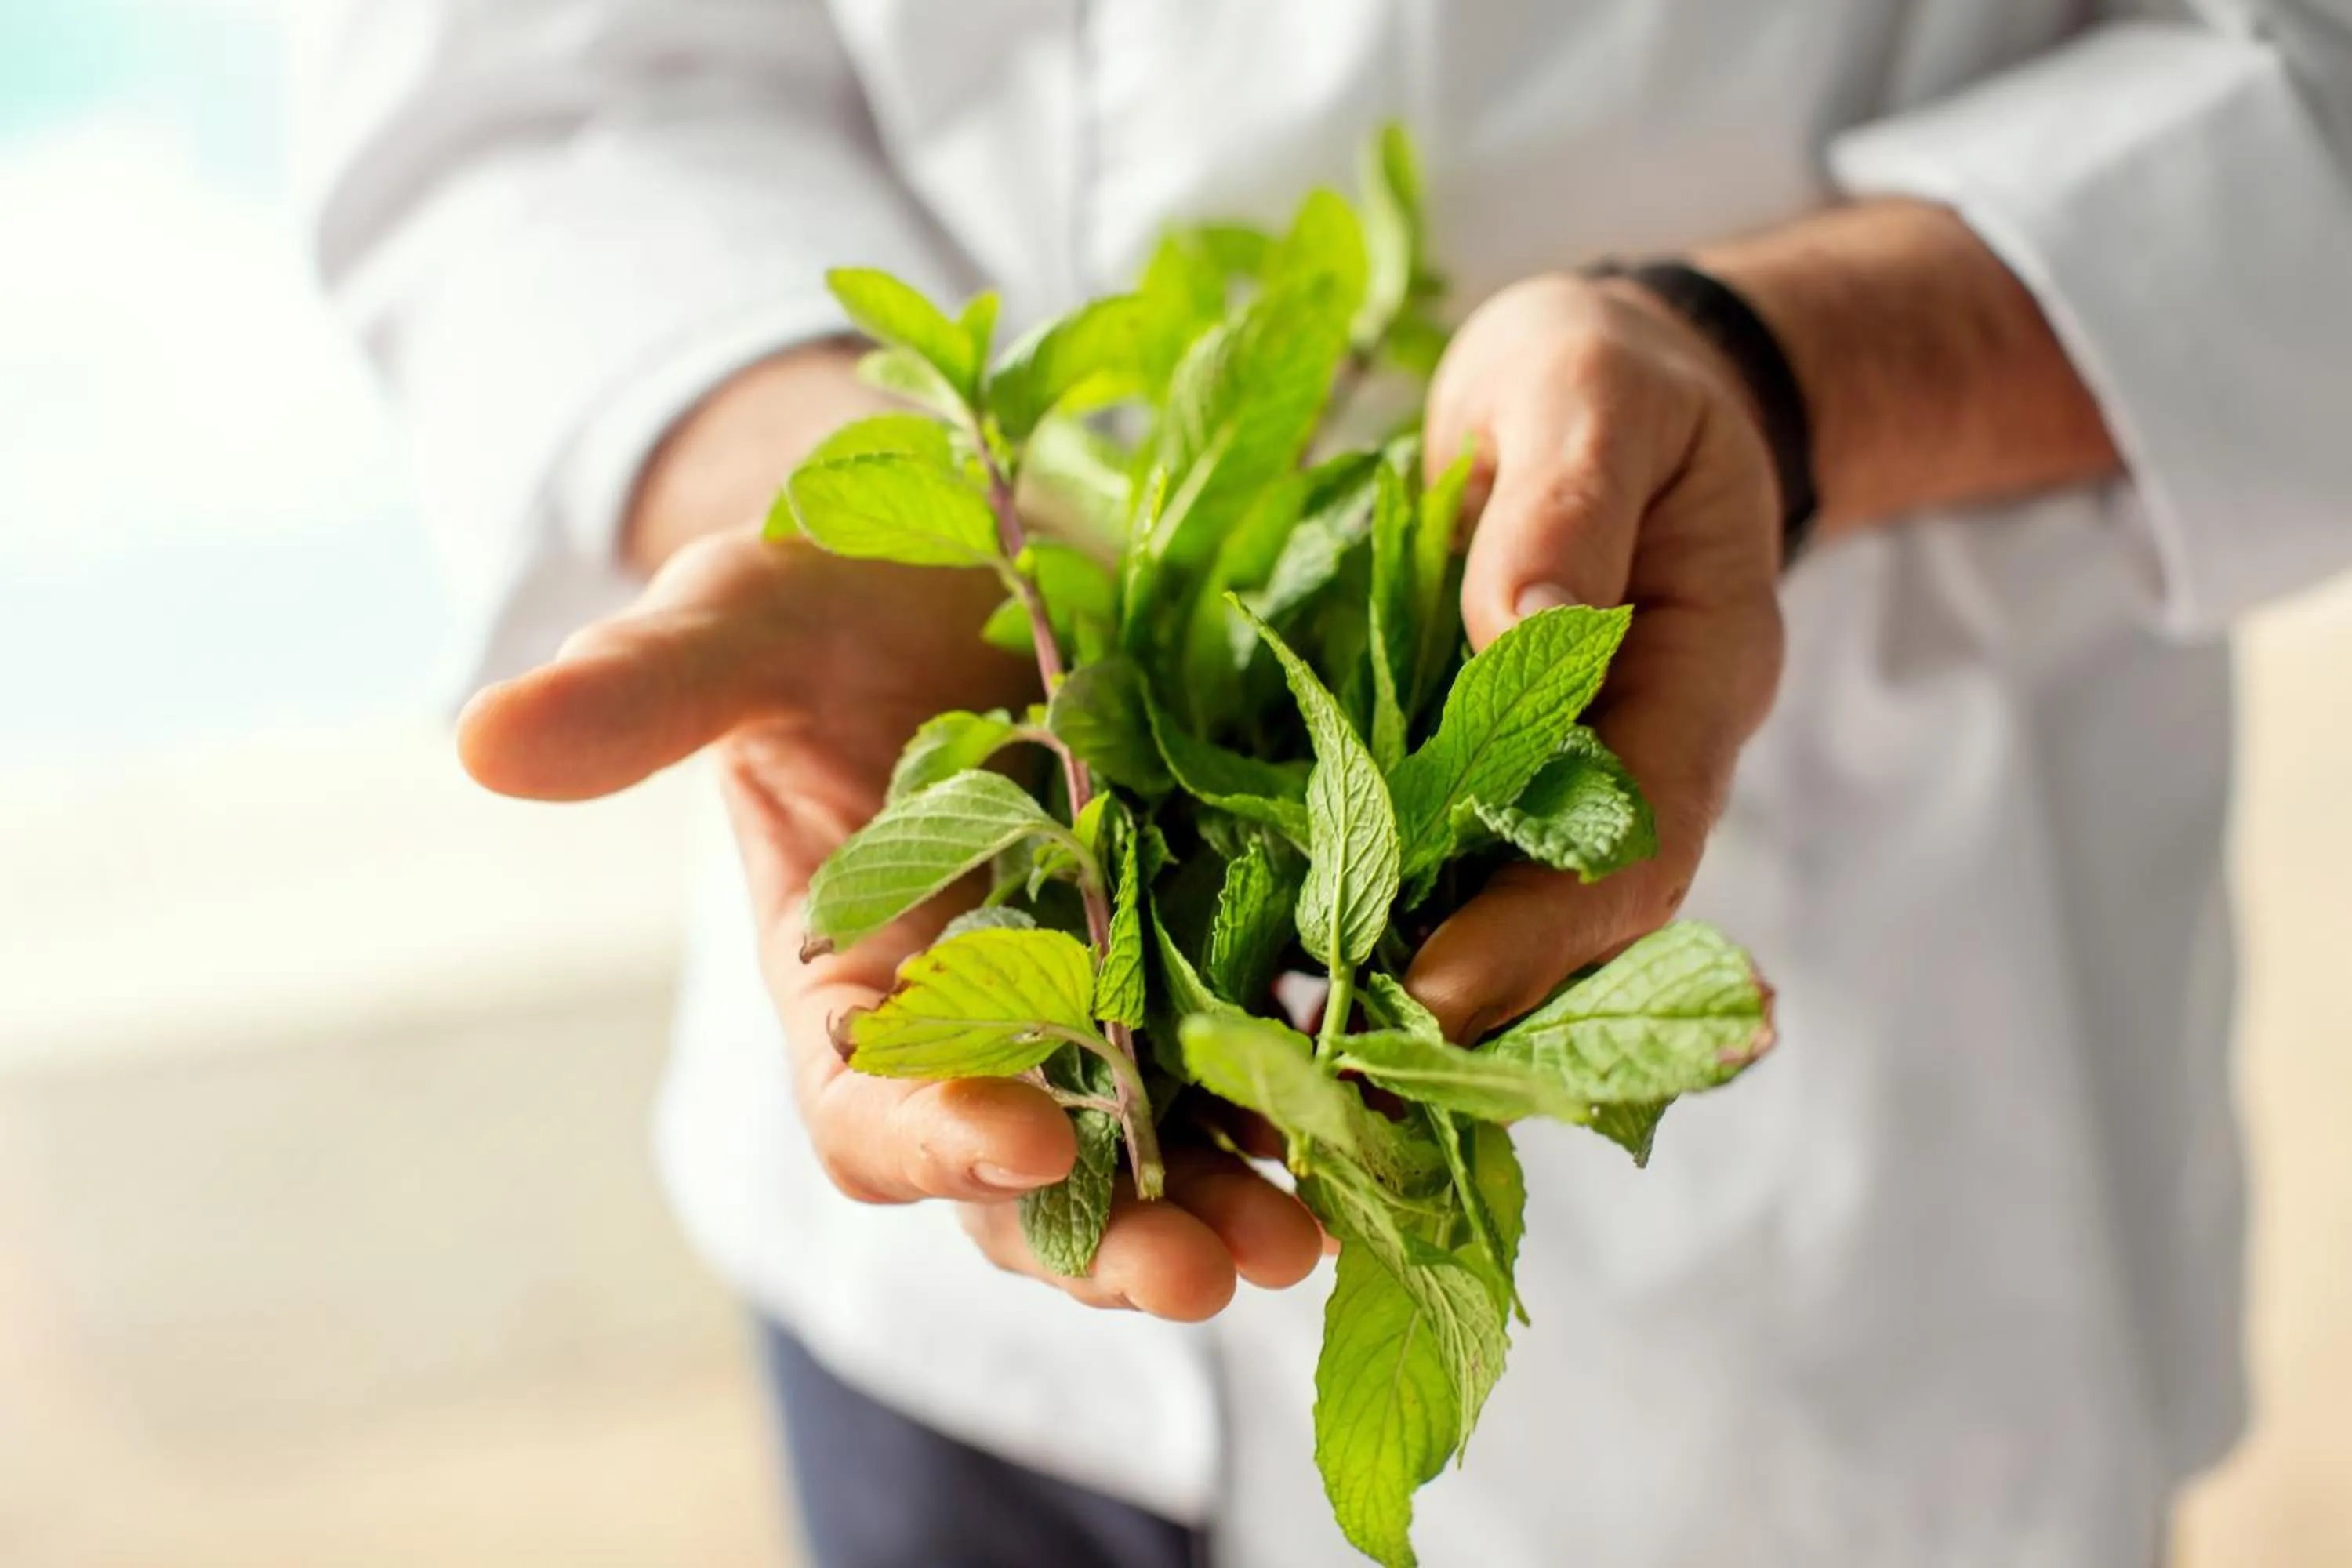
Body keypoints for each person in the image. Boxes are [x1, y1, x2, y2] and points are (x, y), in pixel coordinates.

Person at [296, 3, 2352, 1563]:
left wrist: (1788, 366)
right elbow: (529, 78)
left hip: (1840, 1242)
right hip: (950, 1306)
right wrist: (795, 461)